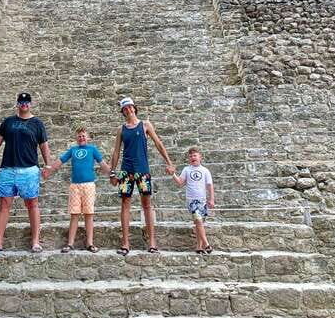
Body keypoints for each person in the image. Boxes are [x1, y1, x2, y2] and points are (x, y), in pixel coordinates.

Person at [0, 92, 52, 254]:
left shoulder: (37, 124)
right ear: (17, 104)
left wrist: (48, 166)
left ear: (31, 104)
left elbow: (44, 147)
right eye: (21, 101)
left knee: (32, 204)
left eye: (27, 101)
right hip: (8, 169)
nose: (24, 104)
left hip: (29, 169)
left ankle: (35, 242)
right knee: (4, 205)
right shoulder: (8, 122)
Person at [109, 97, 175, 255]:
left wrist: (169, 162)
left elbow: (158, 143)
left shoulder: (145, 124)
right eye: (125, 108)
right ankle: (125, 243)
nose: (128, 110)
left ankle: (152, 242)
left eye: (130, 107)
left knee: (146, 204)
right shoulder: (121, 129)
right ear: (123, 112)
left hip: (142, 170)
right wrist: (112, 172)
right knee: (125, 204)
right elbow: (116, 151)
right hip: (126, 171)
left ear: (134, 108)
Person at [42, 126, 110, 253]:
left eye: (84, 135)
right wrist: (49, 170)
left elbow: (103, 165)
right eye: (79, 136)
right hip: (75, 186)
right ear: (76, 138)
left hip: (89, 185)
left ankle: (90, 243)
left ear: (88, 137)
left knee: (89, 214)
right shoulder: (72, 150)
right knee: (74, 214)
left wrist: (112, 174)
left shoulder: (92, 149)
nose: (81, 138)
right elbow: (60, 162)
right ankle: (70, 243)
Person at [171, 146, 215, 254]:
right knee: (198, 221)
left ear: (200, 157)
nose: (192, 157)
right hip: (192, 200)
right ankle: (206, 244)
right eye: (190, 156)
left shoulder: (205, 171)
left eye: (195, 155)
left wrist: (211, 199)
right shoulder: (187, 169)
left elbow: (210, 185)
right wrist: (172, 174)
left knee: (200, 223)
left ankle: (199, 247)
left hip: (202, 200)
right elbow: (180, 182)